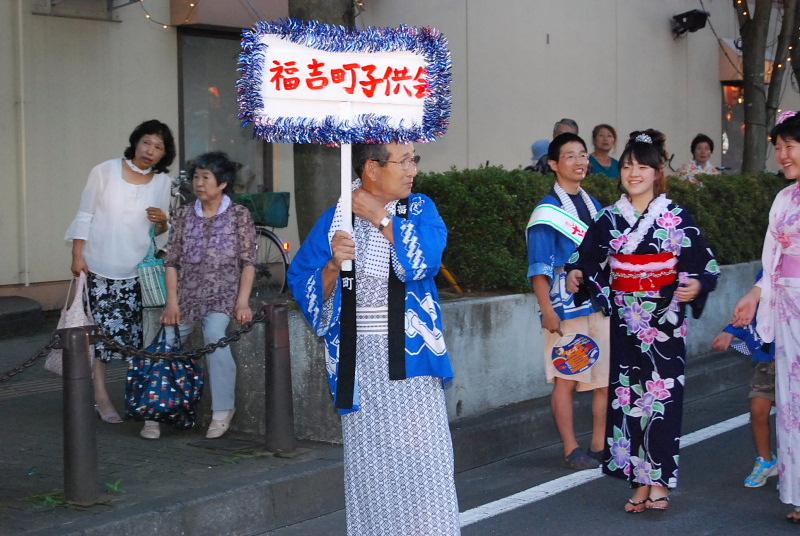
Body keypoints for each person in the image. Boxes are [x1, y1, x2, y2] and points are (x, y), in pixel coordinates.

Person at [287, 142, 460, 535]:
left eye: (414, 160)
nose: (413, 169)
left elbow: (424, 262)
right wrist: (332, 266)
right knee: (371, 466)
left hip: (410, 359)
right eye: (404, 161)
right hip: (360, 362)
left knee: (425, 463)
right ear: (371, 168)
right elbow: (301, 280)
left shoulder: (420, 209)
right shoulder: (337, 219)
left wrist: (380, 218)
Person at [566, 129, 720, 513]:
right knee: (628, 401)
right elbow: (586, 259)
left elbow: (705, 263)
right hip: (625, 322)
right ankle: (638, 481)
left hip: (664, 324)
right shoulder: (608, 218)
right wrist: (577, 274)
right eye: (629, 166)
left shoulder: (676, 218)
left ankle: (660, 482)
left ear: (656, 172)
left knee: (662, 401)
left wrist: (696, 284)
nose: (634, 173)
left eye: (642, 166)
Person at [65, 119, 174, 424]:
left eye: (158, 147)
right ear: (135, 142)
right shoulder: (104, 171)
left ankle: (135, 397)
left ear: (165, 154)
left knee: (132, 339)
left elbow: (162, 236)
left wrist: (163, 221)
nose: (150, 151)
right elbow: (85, 213)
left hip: (136, 271)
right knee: (98, 339)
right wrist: (77, 255)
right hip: (98, 266)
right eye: (146, 143)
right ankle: (99, 397)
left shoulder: (163, 183)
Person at [157, 151, 256, 441]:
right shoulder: (185, 214)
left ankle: (223, 410)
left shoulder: (239, 215)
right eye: (196, 177)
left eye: (205, 177)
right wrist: (171, 302)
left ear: (222, 183)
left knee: (215, 334)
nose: (199, 183)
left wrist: (242, 302)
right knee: (165, 343)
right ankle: (156, 410)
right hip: (186, 296)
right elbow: (172, 261)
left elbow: (248, 262)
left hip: (222, 295)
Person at [526, 132, 610, 470]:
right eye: (571, 156)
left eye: (583, 155)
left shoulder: (596, 207)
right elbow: (538, 268)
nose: (580, 161)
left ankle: (600, 445)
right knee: (567, 377)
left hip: (600, 303)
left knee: (604, 378)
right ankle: (571, 448)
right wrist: (547, 310)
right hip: (565, 309)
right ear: (553, 164)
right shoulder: (546, 213)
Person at [732, 110, 800, 523]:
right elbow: (771, 260)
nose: (783, 155)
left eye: (790, 146)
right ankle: (797, 491)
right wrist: (755, 294)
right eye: (778, 148)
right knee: (790, 401)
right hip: (790, 311)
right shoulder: (783, 199)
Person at [711, 276, 777, 488]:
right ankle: (766, 460)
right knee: (758, 410)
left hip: (791, 364)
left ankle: (793, 468)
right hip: (766, 365)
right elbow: (743, 319)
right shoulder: (766, 278)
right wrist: (728, 332)